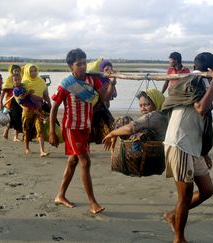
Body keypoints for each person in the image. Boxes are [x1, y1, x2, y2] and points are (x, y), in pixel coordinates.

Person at [161, 52, 213, 243]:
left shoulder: (198, 81)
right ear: (211, 69)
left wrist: (204, 151)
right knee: (185, 195)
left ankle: (173, 215)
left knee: (207, 190)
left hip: (193, 145)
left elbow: (201, 120)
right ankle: (178, 238)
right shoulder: (196, 81)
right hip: (179, 143)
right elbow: (201, 109)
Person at [48, 48, 116, 214]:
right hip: (72, 128)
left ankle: (60, 195)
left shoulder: (92, 80)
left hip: (85, 126)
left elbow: (105, 97)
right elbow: (54, 107)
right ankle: (93, 203)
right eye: (79, 64)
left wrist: (112, 83)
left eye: (84, 62)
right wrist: (51, 131)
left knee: (73, 161)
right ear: (71, 66)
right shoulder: (66, 84)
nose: (83, 66)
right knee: (85, 161)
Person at [102, 88, 168, 150]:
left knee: (124, 120)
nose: (143, 109)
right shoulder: (164, 114)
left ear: (156, 103)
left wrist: (112, 134)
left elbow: (130, 128)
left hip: (158, 151)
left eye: (146, 105)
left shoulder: (155, 115)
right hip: (160, 148)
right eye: (141, 105)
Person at [21, 63, 51, 157]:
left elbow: (45, 95)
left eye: (35, 71)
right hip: (27, 109)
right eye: (31, 71)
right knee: (27, 128)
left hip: (39, 109)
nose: (33, 73)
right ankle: (27, 148)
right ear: (27, 71)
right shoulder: (23, 83)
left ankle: (42, 150)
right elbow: (19, 98)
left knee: (40, 128)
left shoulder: (41, 81)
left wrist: (50, 105)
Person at [0, 65, 23, 142]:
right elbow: (3, 92)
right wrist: (0, 102)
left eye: (18, 71)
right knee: (12, 118)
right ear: (12, 71)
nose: (16, 72)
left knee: (19, 118)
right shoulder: (9, 80)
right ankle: (6, 131)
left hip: (19, 102)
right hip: (10, 101)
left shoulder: (21, 78)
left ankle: (15, 136)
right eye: (15, 70)